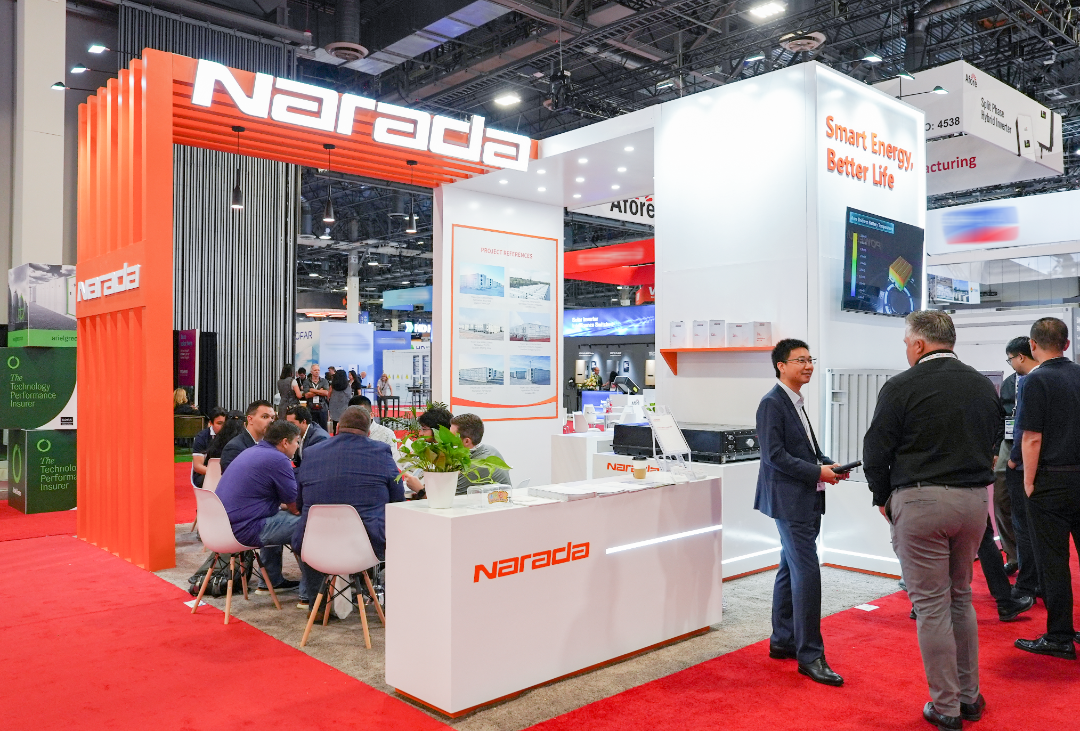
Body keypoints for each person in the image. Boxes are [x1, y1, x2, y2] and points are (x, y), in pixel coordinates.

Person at [863, 310, 1004, 730]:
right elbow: (995, 439)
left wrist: (882, 496)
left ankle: (946, 707)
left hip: (921, 501)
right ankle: (969, 697)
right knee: (960, 597)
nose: (906, 351)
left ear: (919, 344)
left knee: (930, 606)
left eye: (907, 344)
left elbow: (876, 449)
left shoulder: (901, 386)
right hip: (974, 503)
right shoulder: (983, 384)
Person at [753, 338, 844, 687]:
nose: (808, 366)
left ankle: (783, 640)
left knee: (790, 567)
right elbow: (774, 456)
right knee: (807, 572)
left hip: (803, 497)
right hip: (790, 501)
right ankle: (810, 655)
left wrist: (827, 464)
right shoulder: (772, 403)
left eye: (810, 359)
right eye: (800, 360)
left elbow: (803, 451)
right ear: (781, 366)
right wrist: (817, 472)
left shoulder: (795, 401)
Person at [1014, 317, 1080, 660]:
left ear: (1033, 345)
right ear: (1066, 344)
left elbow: (1031, 437)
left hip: (1051, 480)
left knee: (1053, 561)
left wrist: (1028, 481)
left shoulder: (1035, 380)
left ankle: (1059, 636)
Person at [293, 406, 404, 609]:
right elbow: (398, 501)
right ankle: (395, 605)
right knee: (404, 534)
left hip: (313, 545)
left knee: (307, 527)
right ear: (368, 433)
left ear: (336, 429)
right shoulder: (380, 451)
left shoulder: (311, 453)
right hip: (365, 547)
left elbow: (299, 504)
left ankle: (318, 607)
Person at [214, 419, 302, 594]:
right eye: (296, 442)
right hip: (245, 530)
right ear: (285, 442)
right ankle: (310, 594)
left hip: (222, 528)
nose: (298, 446)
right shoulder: (278, 459)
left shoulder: (250, 451)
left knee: (276, 515)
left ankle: (271, 581)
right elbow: (295, 506)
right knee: (309, 524)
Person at [1002, 336, 1042, 604]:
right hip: (1055, 466)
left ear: (1022, 356)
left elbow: (1026, 431)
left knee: (1024, 526)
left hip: (1025, 465)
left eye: (1010, 359)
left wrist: (1014, 459)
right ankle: (1043, 583)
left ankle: (1027, 584)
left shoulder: (1030, 382)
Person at [449, 413, 511, 495]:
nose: (448, 440)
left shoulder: (475, 468)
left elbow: (446, 496)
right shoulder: (489, 449)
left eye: (451, 437)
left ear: (467, 441)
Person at [400, 407, 453, 497]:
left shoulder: (450, 460)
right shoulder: (430, 451)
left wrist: (420, 490)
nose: (420, 433)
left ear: (438, 430)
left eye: (424, 429)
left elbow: (441, 498)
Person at [220, 400, 276, 473]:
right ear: (250, 419)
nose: (270, 421)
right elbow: (233, 477)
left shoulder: (272, 445)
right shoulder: (234, 448)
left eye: (272, 418)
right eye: (265, 417)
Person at [349, 395, 400, 459]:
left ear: (371, 415)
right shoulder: (346, 436)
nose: (356, 420)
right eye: (352, 416)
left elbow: (392, 461)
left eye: (360, 416)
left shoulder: (386, 434)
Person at [191, 407, 227, 487]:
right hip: (204, 475)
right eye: (219, 423)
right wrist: (218, 474)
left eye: (225, 423)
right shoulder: (201, 437)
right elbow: (197, 466)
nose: (223, 427)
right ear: (211, 423)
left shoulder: (230, 435)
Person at [303, 364, 330, 431]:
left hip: (322, 408)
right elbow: (307, 395)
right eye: (315, 370)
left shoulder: (324, 381)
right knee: (311, 428)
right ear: (311, 372)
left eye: (318, 370)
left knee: (323, 428)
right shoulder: (306, 382)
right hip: (311, 408)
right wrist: (320, 391)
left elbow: (326, 393)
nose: (317, 372)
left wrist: (312, 390)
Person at [329, 368, 351, 434]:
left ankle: (335, 435)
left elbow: (328, 396)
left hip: (334, 407)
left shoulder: (332, 386)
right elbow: (349, 396)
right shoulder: (348, 385)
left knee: (335, 424)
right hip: (345, 407)